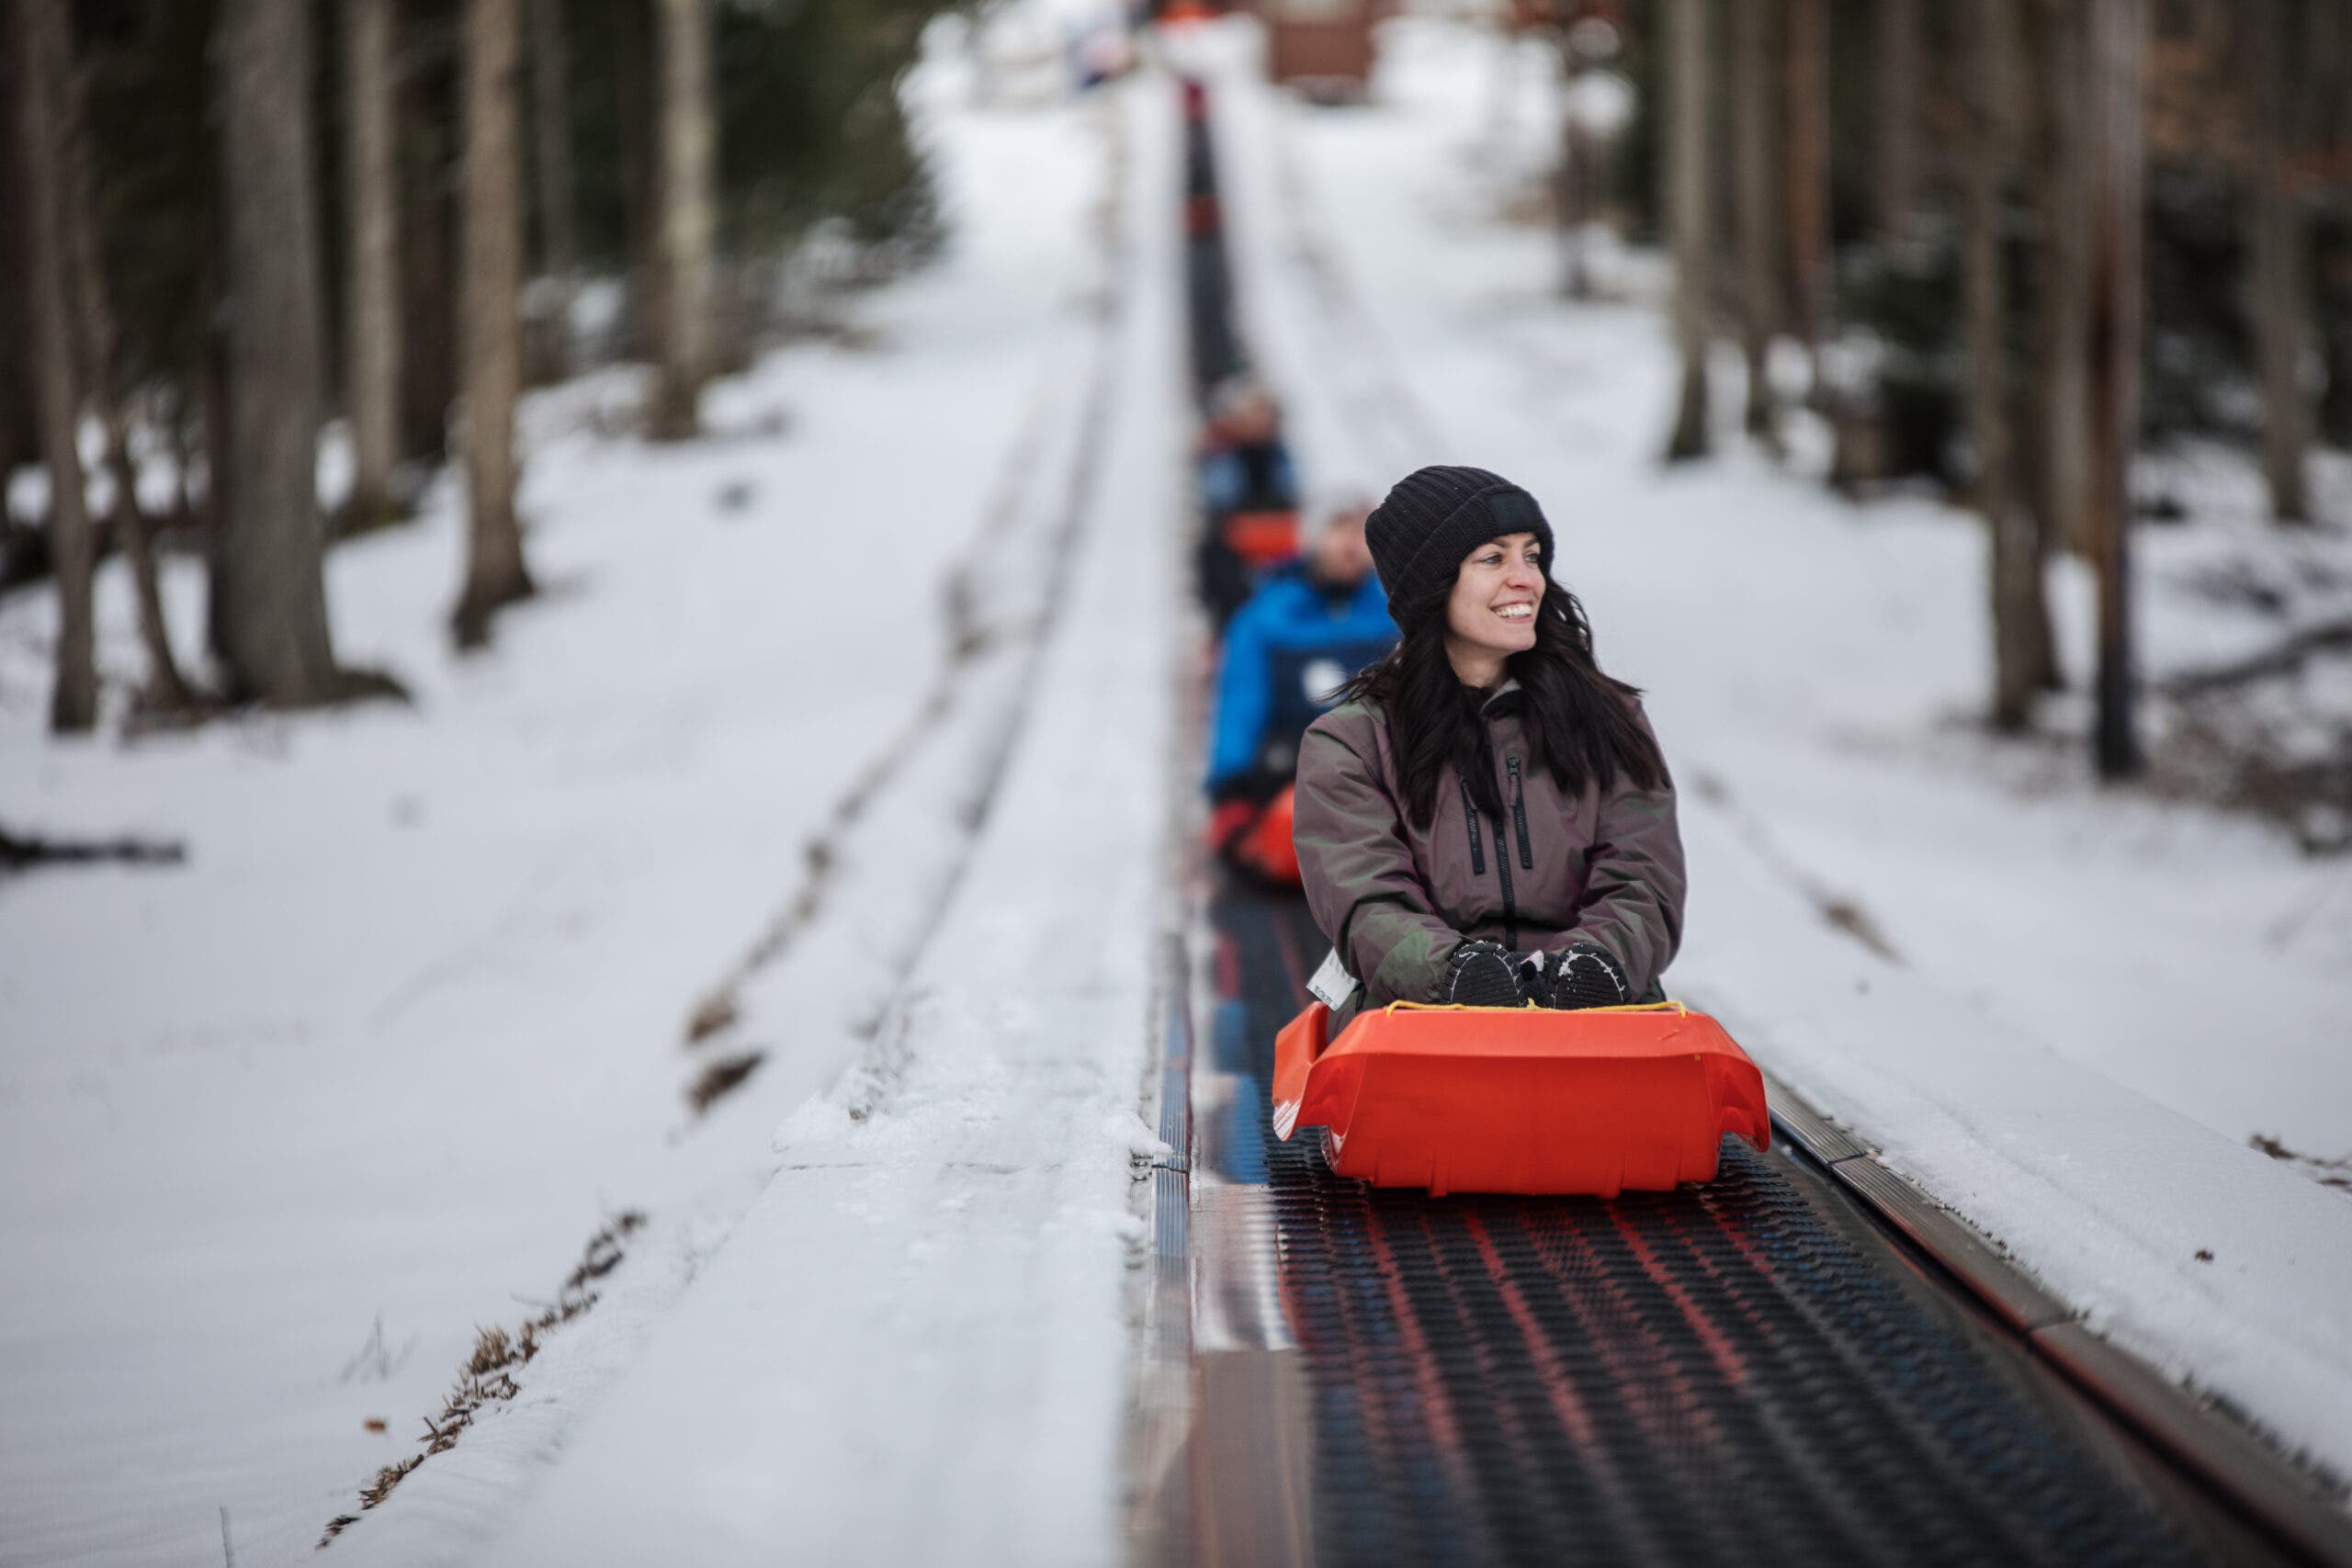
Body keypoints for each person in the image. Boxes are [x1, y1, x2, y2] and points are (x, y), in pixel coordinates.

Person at [1293, 465, 1685, 1031]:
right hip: (1424, 1023)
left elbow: (1644, 878)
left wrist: (1594, 965)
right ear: (1433, 585)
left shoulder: (1608, 722)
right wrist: (1457, 974)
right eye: (1493, 559)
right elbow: (1368, 904)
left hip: (1596, 1018)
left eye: (1531, 555)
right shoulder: (1352, 743)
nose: (1525, 578)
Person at [1205, 496, 1396, 867]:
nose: (1350, 543)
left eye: (1363, 532)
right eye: (1338, 528)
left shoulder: (1394, 613)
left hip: (1381, 774)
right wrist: (1231, 787)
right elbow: (1241, 702)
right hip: (1293, 770)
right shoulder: (1267, 616)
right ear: (1313, 537)